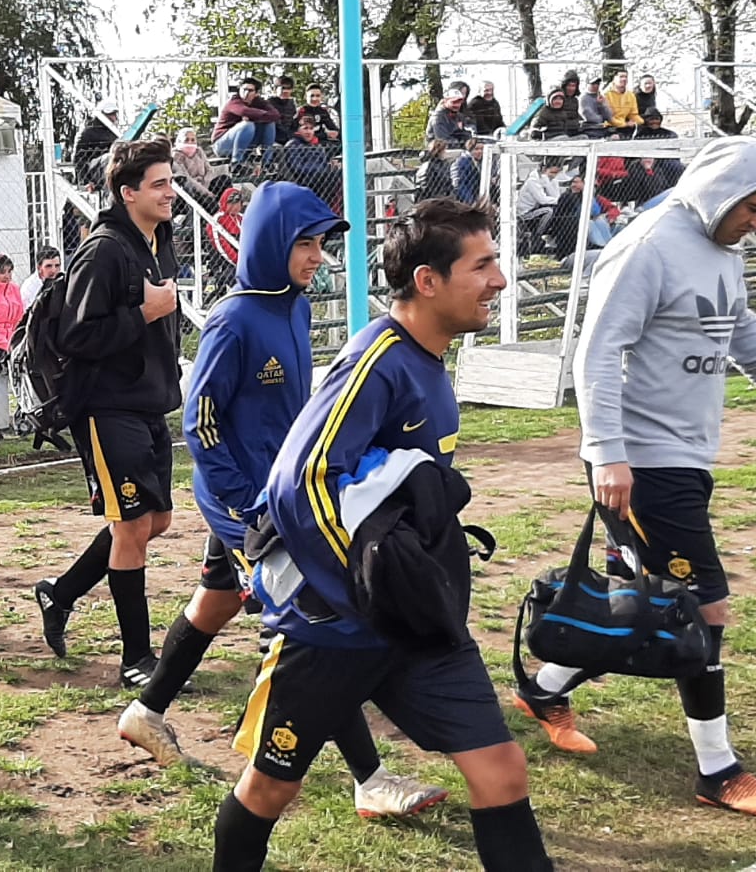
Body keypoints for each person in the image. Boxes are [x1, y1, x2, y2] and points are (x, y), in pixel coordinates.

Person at [214, 198, 551, 872]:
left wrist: (407, 592)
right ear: (427, 281)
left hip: (416, 624)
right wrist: (364, 593)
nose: (499, 280)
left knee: (501, 769)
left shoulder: (429, 357)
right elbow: (300, 482)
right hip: (332, 632)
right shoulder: (378, 361)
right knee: (270, 788)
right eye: (482, 265)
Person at [530, 137, 756, 818]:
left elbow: (740, 330)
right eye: (753, 209)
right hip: (641, 462)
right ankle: (718, 772)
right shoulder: (647, 246)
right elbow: (597, 350)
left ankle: (543, 688)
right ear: (718, 194)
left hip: (685, 457)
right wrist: (607, 452)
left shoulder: (721, 248)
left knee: (643, 602)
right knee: (704, 609)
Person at [116, 181, 449, 816]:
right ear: (271, 243)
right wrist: (248, 506)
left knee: (215, 602)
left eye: (321, 244)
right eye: (305, 244)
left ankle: (146, 710)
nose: (317, 257)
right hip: (246, 506)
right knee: (315, 620)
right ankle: (371, 779)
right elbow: (201, 424)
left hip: (282, 495)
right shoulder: (233, 320)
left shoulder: (295, 308)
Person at [32, 140, 183, 688]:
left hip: (149, 401)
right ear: (128, 193)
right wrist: (144, 312)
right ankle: (137, 659)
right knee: (132, 526)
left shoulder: (159, 240)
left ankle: (60, 593)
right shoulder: (103, 250)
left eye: (171, 181)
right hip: (105, 406)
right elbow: (77, 336)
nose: (171, 192)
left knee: (155, 522)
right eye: (159, 184)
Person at [212, 77, 281, 167]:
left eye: (250, 90)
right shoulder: (234, 102)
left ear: (256, 93)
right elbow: (244, 111)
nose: (246, 93)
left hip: (246, 143)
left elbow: (275, 115)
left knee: (270, 124)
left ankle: (267, 163)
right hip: (222, 144)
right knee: (247, 125)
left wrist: (255, 117)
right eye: (244, 89)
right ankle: (236, 163)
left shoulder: (259, 102)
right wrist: (261, 115)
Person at [74, 98, 121, 189]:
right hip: (94, 169)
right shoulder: (88, 132)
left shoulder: (113, 132)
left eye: (114, 114)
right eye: (110, 114)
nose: (113, 118)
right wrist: (85, 181)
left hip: (109, 167)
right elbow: (79, 159)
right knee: (108, 158)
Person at [265, 75, 298, 146]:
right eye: (283, 88)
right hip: (273, 139)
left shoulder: (292, 104)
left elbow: (293, 123)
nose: (286, 91)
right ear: (275, 89)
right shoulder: (269, 103)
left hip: (289, 138)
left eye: (289, 88)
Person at [452, 139, 486, 205]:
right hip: (465, 203)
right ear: (470, 149)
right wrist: (471, 202)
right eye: (476, 149)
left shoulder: (480, 162)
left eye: (482, 149)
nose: (480, 151)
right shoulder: (461, 162)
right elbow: (459, 185)